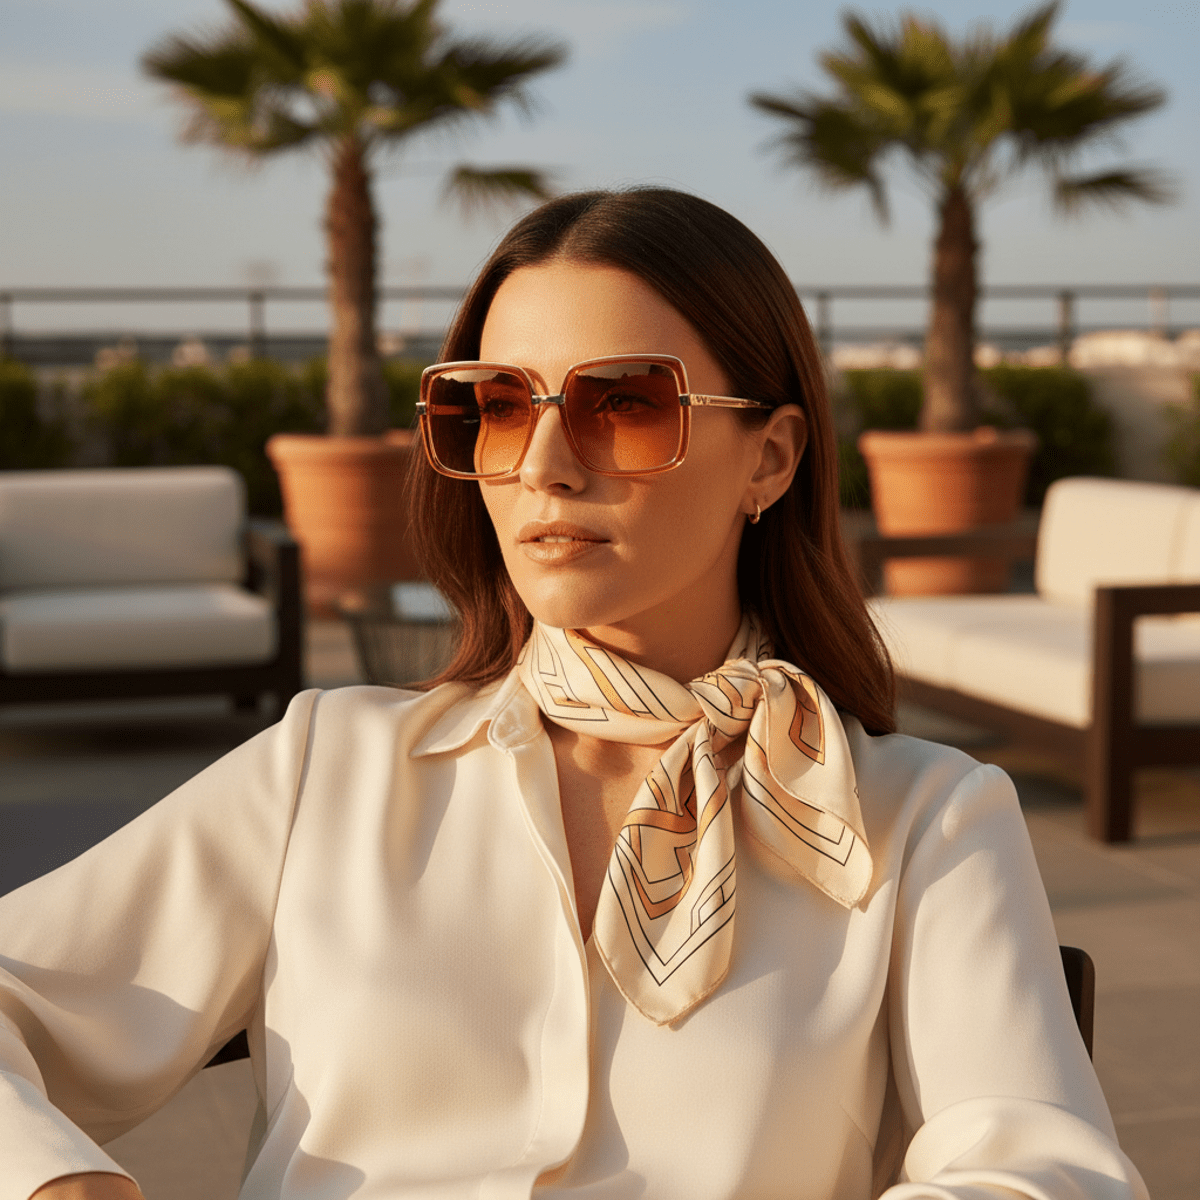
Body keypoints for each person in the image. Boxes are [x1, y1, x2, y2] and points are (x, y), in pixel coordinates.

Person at [2, 189, 1145, 1200]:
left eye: (624, 404)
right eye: (496, 404)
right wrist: (57, 1180)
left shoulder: (926, 819)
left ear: (772, 457)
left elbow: (1042, 1167)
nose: (545, 460)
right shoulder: (324, 770)